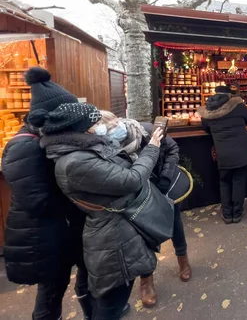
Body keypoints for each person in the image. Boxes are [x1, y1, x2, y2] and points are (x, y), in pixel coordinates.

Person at [31, 102, 163, 320]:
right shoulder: (77, 160)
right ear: (81, 129)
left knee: (111, 298)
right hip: (113, 235)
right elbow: (131, 180)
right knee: (112, 302)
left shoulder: (81, 151)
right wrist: (152, 149)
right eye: (95, 123)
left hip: (114, 227)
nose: (99, 127)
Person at [1, 67, 92, 320]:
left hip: (63, 232)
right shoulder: (24, 147)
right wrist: (80, 197)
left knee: (78, 281)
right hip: (43, 237)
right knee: (51, 295)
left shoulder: (45, 140)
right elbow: (37, 201)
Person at [99, 111, 191, 308]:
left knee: (174, 222)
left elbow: (172, 148)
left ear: (118, 123)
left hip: (163, 185)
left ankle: (183, 259)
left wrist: (165, 177)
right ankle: (146, 280)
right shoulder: (104, 147)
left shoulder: (146, 131)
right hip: (137, 192)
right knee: (141, 232)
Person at [200, 85, 247, 223]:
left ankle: (227, 214)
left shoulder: (208, 110)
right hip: (241, 151)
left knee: (224, 182)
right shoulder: (238, 106)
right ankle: (237, 213)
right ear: (229, 95)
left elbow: (205, 127)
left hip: (223, 153)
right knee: (238, 181)